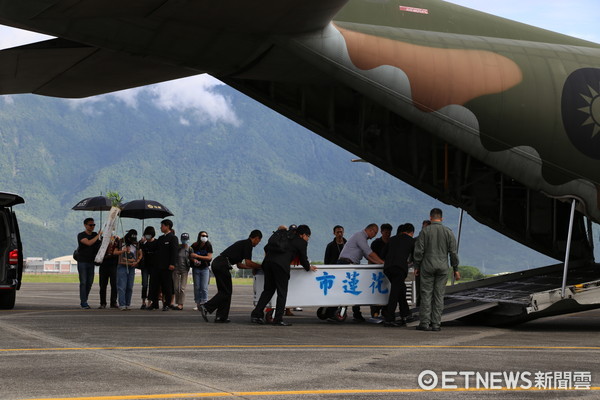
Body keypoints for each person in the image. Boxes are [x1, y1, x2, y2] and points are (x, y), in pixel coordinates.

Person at [251, 225, 317, 326]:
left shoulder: (283, 235)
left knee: (268, 290)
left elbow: (266, 247)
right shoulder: (301, 242)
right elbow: (303, 259)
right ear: (303, 235)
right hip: (280, 266)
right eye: (308, 236)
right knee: (282, 292)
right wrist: (309, 267)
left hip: (268, 263)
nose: (308, 239)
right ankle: (278, 319)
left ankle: (256, 315)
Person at [199, 230, 262, 323]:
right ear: (256, 238)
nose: (258, 243)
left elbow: (240, 265)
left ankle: (221, 317)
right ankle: (206, 307)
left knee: (224, 291)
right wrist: (260, 267)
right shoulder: (248, 244)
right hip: (222, 265)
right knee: (226, 291)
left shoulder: (242, 243)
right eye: (259, 241)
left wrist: (252, 268)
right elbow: (248, 262)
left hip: (218, 263)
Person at [413, 208, 460, 332]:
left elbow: (419, 251)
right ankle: (436, 324)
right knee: (439, 295)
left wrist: (416, 266)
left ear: (430, 218)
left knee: (426, 295)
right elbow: (453, 253)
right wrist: (456, 269)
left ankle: (424, 323)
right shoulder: (448, 232)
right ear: (442, 218)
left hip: (427, 267)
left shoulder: (425, 232)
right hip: (443, 267)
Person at [337, 223, 384, 322]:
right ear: (371, 230)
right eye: (375, 233)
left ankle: (356, 314)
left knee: (354, 290)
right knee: (350, 290)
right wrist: (383, 263)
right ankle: (343, 311)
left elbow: (368, 256)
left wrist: (380, 263)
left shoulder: (362, 239)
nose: (375, 235)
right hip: (347, 264)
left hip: (350, 264)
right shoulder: (360, 236)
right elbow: (369, 252)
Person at [381, 223, 415, 327]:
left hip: (388, 268)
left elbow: (382, 254)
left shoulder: (392, 239)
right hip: (399, 269)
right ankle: (389, 318)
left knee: (401, 289)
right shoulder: (411, 240)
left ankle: (406, 313)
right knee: (395, 293)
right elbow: (415, 256)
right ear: (411, 232)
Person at [148, 219, 179, 311]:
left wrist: (172, 263)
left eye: (162, 226)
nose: (161, 227)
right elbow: (154, 247)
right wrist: (147, 241)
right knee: (154, 285)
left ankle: (167, 304)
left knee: (167, 286)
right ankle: (155, 303)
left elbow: (174, 252)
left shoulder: (173, 238)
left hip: (167, 267)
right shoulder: (161, 238)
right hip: (157, 266)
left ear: (167, 226)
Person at [76, 218, 102, 309]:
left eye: (93, 225)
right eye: (90, 225)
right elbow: (88, 243)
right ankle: (83, 302)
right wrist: (98, 235)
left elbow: (100, 243)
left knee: (89, 282)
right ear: (85, 225)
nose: (92, 227)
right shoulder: (81, 235)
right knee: (83, 282)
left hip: (91, 262)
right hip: (82, 261)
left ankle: (85, 299)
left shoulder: (95, 235)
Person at [114, 230, 141, 310]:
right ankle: (122, 304)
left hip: (132, 266)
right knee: (122, 286)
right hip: (122, 265)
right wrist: (123, 250)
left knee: (130, 286)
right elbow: (115, 252)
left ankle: (128, 303)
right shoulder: (120, 242)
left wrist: (137, 261)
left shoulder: (136, 244)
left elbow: (140, 253)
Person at [369, 223, 392, 317]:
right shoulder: (375, 243)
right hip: (376, 271)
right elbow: (370, 257)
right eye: (386, 232)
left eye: (389, 233)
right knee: (376, 291)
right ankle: (375, 311)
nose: (387, 234)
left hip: (389, 270)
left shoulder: (392, 242)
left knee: (387, 291)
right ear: (381, 232)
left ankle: (386, 310)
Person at [191, 231, 213, 310]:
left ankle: (204, 303)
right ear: (199, 236)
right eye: (203, 235)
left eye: (206, 235)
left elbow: (209, 257)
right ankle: (198, 304)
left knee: (204, 287)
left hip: (205, 268)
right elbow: (190, 255)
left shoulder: (208, 245)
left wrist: (197, 256)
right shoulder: (194, 245)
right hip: (196, 268)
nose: (205, 237)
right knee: (197, 287)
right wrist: (194, 260)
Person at [98, 233, 120, 309]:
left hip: (114, 264)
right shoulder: (101, 240)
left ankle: (113, 302)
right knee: (102, 285)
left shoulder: (117, 240)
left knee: (114, 285)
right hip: (104, 264)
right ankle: (102, 303)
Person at [173, 232, 192, 310]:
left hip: (184, 270)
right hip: (176, 269)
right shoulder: (178, 248)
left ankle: (181, 304)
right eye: (183, 239)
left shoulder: (190, 249)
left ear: (188, 240)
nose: (184, 241)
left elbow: (192, 258)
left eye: (186, 239)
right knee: (176, 288)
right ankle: (178, 303)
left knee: (182, 288)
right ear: (181, 239)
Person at [138, 226, 157, 309]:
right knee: (144, 284)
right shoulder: (143, 243)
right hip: (145, 266)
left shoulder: (156, 243)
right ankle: (143, 302)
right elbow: (139, 250)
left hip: (153, 266)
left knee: (152, 284)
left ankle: (150, 301)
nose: (147, 236)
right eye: (146, 235)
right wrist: (142, 243)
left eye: (149, 234)